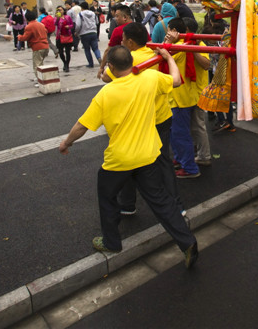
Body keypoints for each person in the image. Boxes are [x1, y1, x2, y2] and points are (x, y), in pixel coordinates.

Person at [59, 45, 199, 267]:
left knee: (107, 197)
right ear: (132, 63)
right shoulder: (150, 78)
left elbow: (82, 126)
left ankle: (111, 241)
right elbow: (176, 80)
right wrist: (168, 57)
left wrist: (66, 143)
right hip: (147, 154)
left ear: (111, 67)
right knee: (161, 200)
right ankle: (187, 241)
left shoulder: (106, 93)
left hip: (119, 160)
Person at [109, 22, 184, 216]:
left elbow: (106, 78)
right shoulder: (154, 53)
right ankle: (176, 204)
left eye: (123, 39)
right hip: (161, 116)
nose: (122, 41)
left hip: (138, 119)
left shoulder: (128, 59)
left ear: (131, 42)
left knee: (129, 160)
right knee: (163, 161)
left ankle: (127, 204)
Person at [164, 17, 211, 178]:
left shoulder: (196, 44)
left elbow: (206, 64)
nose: (168, 33)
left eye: (169, 30)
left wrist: (191, 47)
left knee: (189, 131)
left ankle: (193, 164)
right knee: (179, 133)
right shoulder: (175, 45)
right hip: (178, 96)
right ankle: (182, 159)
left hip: (188, 96)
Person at [96, 4, 133, 80]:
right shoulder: (140, 27)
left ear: (125, 17)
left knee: (105, 77)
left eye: (117, 16)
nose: (115, 18)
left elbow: (108, 50)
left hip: (123, 64)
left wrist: (102, 67)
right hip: (140, 61)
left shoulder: (118, 30)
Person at [18, 10, 50, 83]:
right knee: (41, 64)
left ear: (26, 18)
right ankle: (41, 78)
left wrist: (19, 37)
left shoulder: (29, 26)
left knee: (37, 65)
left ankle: (40, 81)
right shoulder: (41, 24)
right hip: (45, 46)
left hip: (37, 47)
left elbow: (25, 37)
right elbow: (46, 32)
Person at [75, 1, 102, 68]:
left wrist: (77, 32)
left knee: (87, 49)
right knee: (95, 48)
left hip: (84, 34)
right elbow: (97, 22)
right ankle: (99, 57)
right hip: (93, 32)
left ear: (81, 8)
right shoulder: (93, 13)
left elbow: (78, 25)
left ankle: (90, 63)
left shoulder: (80, 14)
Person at [55, 6, 75, 73]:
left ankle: (67, 65)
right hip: (60, 37)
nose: (60, 11)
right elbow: (55, 23)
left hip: (67, 36)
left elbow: (72, 25)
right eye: (58, 10)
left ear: (63, 10)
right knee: (61, 52)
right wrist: (57, 18)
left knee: (68, 52)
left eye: (61, 10)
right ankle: (64, 62)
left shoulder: (67, 17)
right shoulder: (56, 18)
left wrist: (68, 26)